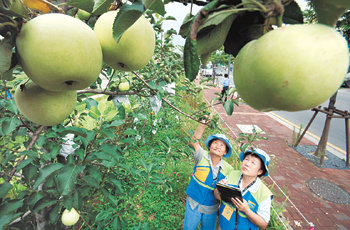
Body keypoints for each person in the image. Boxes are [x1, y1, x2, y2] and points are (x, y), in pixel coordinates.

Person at [183, 116, 233, 230]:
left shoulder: (228, 169)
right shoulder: (201, 156)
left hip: (211, 207)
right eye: (215, 143)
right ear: (210, 145)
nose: (217, 146)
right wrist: (202, 125)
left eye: (222, 145)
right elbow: (194, 141)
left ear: (225, 152)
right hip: (193, 203)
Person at [214, 148, 273, 230]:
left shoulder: (264, 194)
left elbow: (263, 224)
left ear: (259, 171)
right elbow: (217, 196)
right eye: (246, 159)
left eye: (253, 163)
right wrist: (219, 189)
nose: (247, 164)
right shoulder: (232, 174)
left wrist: (247, 210)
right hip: (223, 226)